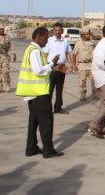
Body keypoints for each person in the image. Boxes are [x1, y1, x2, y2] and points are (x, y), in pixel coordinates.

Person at [16, 27, 64, 158]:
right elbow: (38, 71)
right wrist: (51, 65)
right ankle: (48, 150)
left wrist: (49, 64)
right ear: (38, 37)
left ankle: (31, 148)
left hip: (32, 93)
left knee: (34, 122)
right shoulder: (35, 51)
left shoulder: (31, 49)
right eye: (45, 38)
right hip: (39, 94)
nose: (47, 41)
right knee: (46, 123)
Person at [87, 24, 105, 139]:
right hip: (104, 78)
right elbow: (100, 62)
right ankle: (94, 124)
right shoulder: (102, 45)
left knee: (104, 103)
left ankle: (102, 126)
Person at [43, 22, 72, 114]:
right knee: (49, 89)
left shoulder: (65, 41)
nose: (57, 32)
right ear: (53, 31)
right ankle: (47, 108)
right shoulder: (49, 41)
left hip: (62, 68)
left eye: (59, 30)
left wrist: (71, 64)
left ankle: (58, 108)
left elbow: (67, 53)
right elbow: (45, 54)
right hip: (52, 68)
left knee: (59, 89)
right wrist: (45, 66)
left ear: (62, 31)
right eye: (56, 30)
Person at [72, 28, 96, 101]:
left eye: (89, 33)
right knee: (82, 82)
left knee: (94, 81)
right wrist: (74, 65)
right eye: (87, 34)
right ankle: (83, 94)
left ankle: (95, 94)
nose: (89, 35)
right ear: (83, 35)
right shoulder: (78, 43)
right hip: (82, 65)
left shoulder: (92, 43)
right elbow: (74, 55)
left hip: (91, 65)